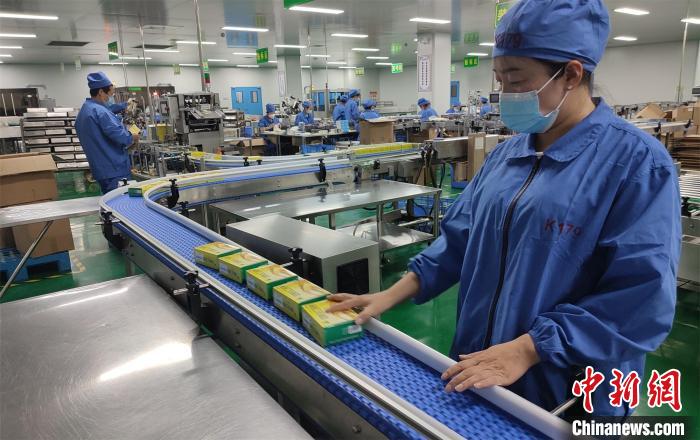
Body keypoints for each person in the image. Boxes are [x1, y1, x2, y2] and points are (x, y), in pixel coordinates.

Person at [329, 0, 680, 420]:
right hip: (479, 369)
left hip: (567, 392)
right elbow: (458, 242)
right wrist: (388, 295)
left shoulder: (636, 164)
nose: (506, 95)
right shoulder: (506, 156)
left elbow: (642, 298)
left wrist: (530, 348)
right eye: (499, 79)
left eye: (516, 79)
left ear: (571, 74)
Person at [75, 72, 138, 194]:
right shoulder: (101, 112)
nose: (109, 98)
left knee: (108, 200)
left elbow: (108, 110)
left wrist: (125, 105)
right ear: (100, 92)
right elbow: (122, 137)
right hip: (114, 168)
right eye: (109, 94)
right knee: (121, 202)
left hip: (101, 169)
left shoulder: (86, 109)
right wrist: (133, 136)